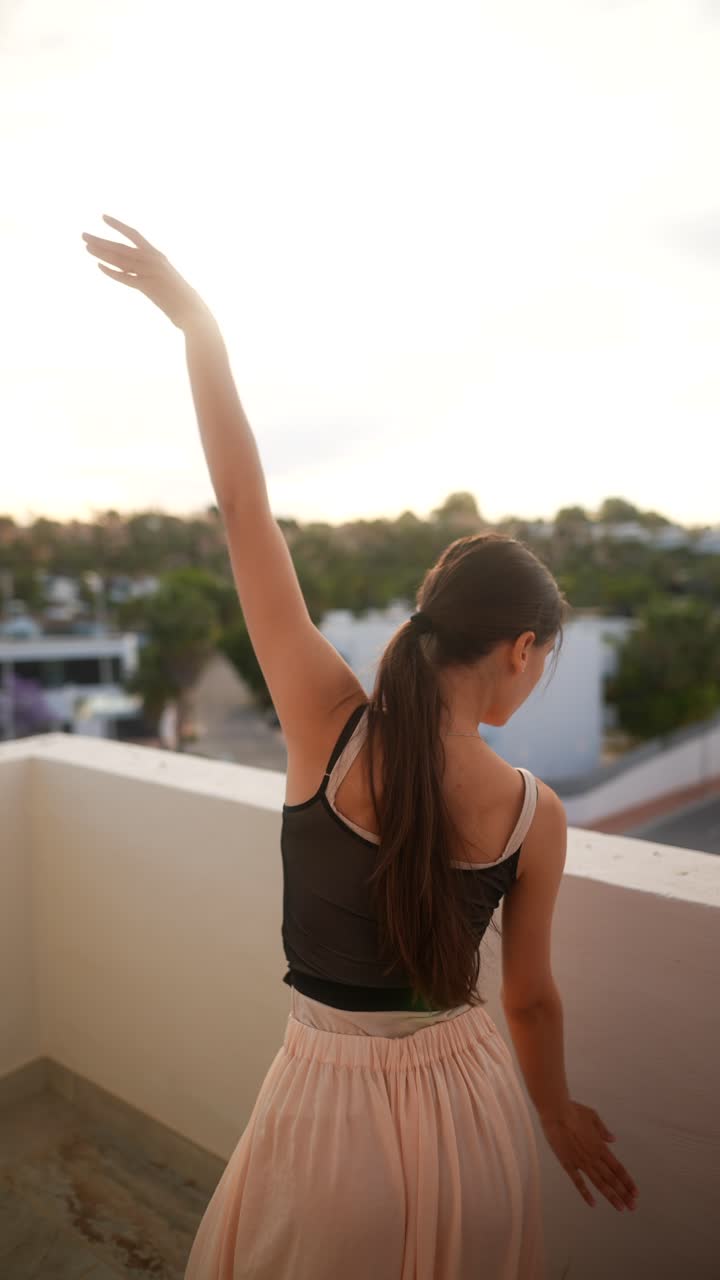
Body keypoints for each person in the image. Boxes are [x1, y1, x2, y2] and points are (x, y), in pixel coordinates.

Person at [82, 217, 640, 1279]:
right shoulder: (535, 812)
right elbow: (528, 998)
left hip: (330, 1124)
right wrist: (559, 1113)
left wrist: (199, 326)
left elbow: (245, 507)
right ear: (520, 649)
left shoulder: (326, 723)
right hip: (478, 1124)